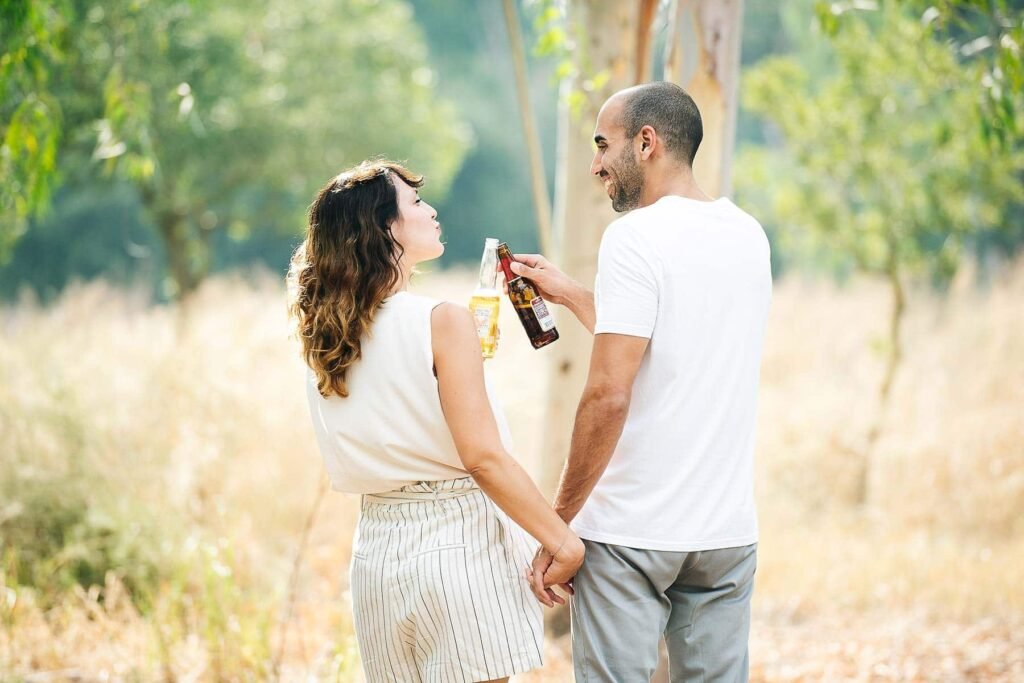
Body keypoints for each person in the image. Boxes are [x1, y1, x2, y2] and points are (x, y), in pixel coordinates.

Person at [287, 160, 584, 683]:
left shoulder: (323, 331)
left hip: (377, 550)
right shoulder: (441, 319)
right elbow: (484, 458)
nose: (432, 210)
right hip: (457, 544)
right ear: (386, 228)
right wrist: (561, 541)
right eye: (416, 203)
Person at [517, 82, 772, 681]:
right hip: (725, 536)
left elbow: (608, 393)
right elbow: (669, 336)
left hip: (632, 533)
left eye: (604, 144)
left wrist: (559, 524)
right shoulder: (747, 234)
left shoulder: (634, 237)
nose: (596, 163)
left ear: (647, 142)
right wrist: (571, 293)